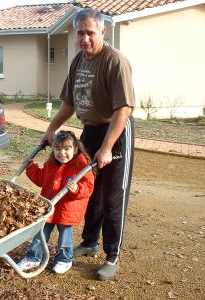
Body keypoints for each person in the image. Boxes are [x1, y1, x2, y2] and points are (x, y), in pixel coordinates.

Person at [42, 8, 135, 281]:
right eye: (80, 33)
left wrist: (107, 147)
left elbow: (124, 110)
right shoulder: (78, 61)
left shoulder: (114, 61)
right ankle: (90, 242)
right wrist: (51, 128)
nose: (85, 39)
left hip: (116, 132)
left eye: (90, 33)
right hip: (90, 130)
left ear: (102, 32)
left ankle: (112, 255)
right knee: (89, 190)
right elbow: (69, 103)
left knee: (112, 196)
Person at [17, 130, 95, 274]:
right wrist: (31, 168)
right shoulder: (51, 164)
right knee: (40, 233)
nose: (62, 153)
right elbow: (41, 179)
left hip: (67, 209)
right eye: (58, 149)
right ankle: (33, 257)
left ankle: (64, 260)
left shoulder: (82, 167)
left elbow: (88, 189)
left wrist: (77, 189)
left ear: (75, 149)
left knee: (65, 237)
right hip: (49, 206)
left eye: (67, 149)